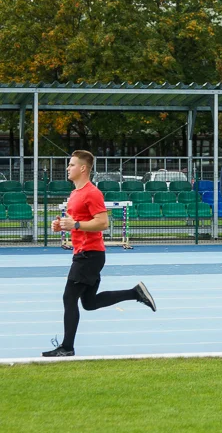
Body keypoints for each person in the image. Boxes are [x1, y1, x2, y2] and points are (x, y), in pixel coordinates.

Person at [42, 150, 156, 358]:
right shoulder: (75, 193)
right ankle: (135, 293)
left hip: (89, 254)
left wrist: (74, 224)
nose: (68, 168)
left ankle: (67, 347)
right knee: (89, 303)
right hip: (84, 253)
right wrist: (62, 225)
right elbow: (77, 221)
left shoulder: (92, 193)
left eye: (71, 165)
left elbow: (103, 222)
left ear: (83, 168)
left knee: (69, 298)